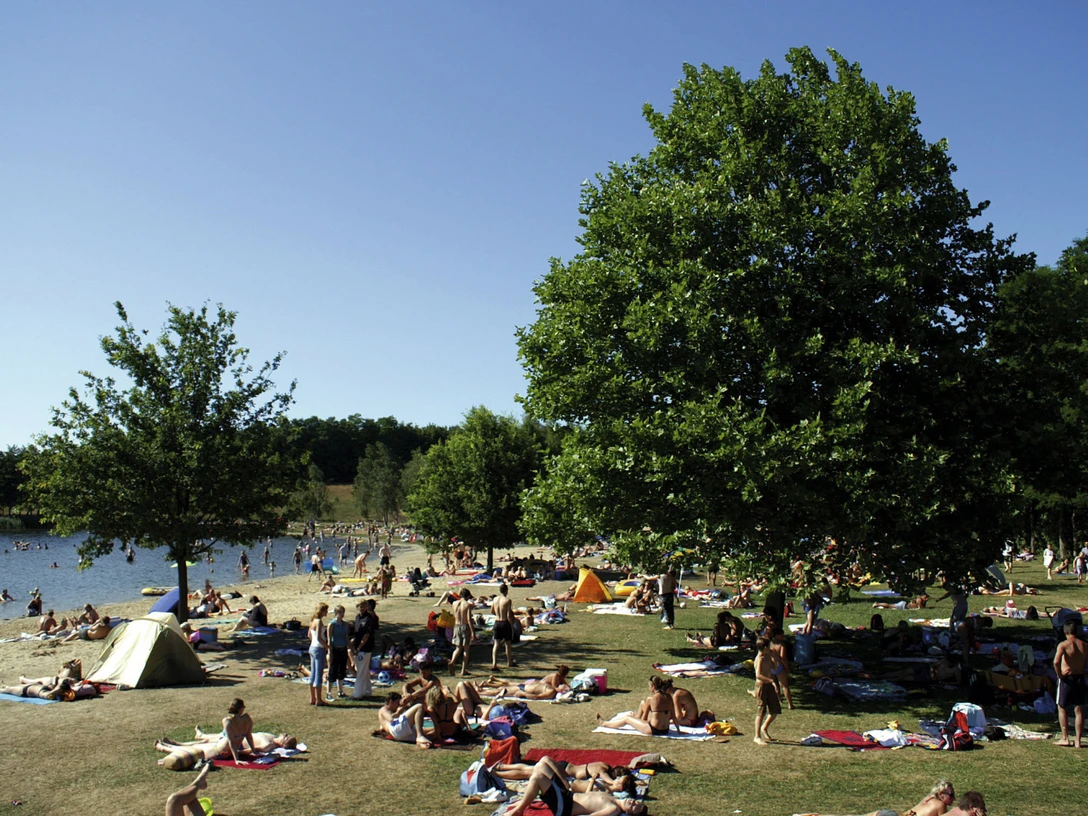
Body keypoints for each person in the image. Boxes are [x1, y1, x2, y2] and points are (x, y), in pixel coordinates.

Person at [503, 755, 647, 816]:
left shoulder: (613, 809)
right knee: (541, 764)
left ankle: (519, 810)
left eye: (634, 806)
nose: (633, 802)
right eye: (636, 802)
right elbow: (588, 797)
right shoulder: (611, 796)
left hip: (565, 806)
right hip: (567, 795)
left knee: (537, 778)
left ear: (629, 813)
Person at [597, 676, 674, 736]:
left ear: (653, 686)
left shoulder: (651, 699)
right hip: (665, 730)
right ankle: (635, 717)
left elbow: (644, 718)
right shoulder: (669, 696)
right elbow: (674, 716)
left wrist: (637, 721)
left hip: (654, 730)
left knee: (627, 719)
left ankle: (603, 723)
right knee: (643, 704)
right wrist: (678, 731)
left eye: (649, 686)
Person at [1053, 618, 1086, 747]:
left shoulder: (1064, 645)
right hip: (1080, 677)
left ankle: (1065, 737)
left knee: (1062, 707)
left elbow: (1056, 661)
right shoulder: (1084, 645)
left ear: (1065, 631)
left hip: (1067, 678)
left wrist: (1059, 674)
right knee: (1078, 709)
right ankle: (1078, 740)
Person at [482, 665, 572, 700]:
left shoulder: (559, 678)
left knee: (507, 686)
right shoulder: (556, 677)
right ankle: (488, 684)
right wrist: (561, 689)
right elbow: (555, 687)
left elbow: (565, 684)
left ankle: (489, 683)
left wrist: (567, 687)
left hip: (529, 687)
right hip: (530, 684)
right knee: (509, 684)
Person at [753, 636, 781, 744]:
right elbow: (758, 675)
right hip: (761, 687)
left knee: (775, 710)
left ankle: (764, 727)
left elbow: (774, 668)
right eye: (768, 646)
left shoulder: (767, 657)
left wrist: (774, 658)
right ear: (763, 647)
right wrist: (771, 681)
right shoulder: (760, 659)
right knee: (761, 712)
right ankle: (757, 736)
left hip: (769, 686)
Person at [351, 598, 378, 699]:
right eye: (359, 606)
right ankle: (367, 691)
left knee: (361, 670)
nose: (361, 608)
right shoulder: (357, 617)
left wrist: (359, 647)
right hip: (358, 646)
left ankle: (357, 693)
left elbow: (366, 635)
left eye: (363, 606)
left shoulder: (368, 618)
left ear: (366, 607)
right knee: (365, 670)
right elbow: (356, 632)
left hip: (365, 648)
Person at [326, 604, 351, 700]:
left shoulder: (345, 625)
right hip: (335, 649)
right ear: (336, 613)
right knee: (332, 671)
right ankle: (329, 692)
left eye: (343, 612)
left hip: (343, 649)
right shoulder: (332, 624)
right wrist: (329, 651)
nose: (341, 614)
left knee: (341, 671)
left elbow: (346, 638)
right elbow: (329, 639)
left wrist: (352, 649)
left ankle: (340, 691)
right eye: (340, 612)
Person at [491, 583, 518, 670]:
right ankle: (509, 662)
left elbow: (492, 611)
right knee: (507, 644)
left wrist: (497, 614)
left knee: (496, 644)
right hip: (504, 622)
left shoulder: (495, 599)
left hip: (497, 622)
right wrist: (511, 626)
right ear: (506, 591)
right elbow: (509, 614)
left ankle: (494, 664)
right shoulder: (507, 600)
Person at [307, 602, 330, 706]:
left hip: (312, 647)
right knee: (318, 674)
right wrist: (327, 646)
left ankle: (313, 698)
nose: (327, 612)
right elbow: (319, 638)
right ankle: (319, 699)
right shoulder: (319, 622)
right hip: (318, 649)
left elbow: (309, 635)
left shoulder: (312, 621)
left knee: (313, 673)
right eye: (325, 610)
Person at [449, 587, 475, 676]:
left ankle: (452, 662)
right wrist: (473, 632)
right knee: (466, 649)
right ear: (467, 596)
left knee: (458, 648)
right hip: (465, 626)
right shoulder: (467, 605)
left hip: (456, 626)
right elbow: (468, 619)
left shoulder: (454, 603)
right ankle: (463, 670)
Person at [768, 627, 794, 710]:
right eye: (781, 635)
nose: (783, 636)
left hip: (771, 666)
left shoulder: (769, 643)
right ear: (777, 635)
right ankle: (790, 704)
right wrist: (787, 668)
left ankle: (779, 700)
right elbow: (783, 658)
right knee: (784, 686)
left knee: (775, 685)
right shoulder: (781, 644)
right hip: (779, 666)